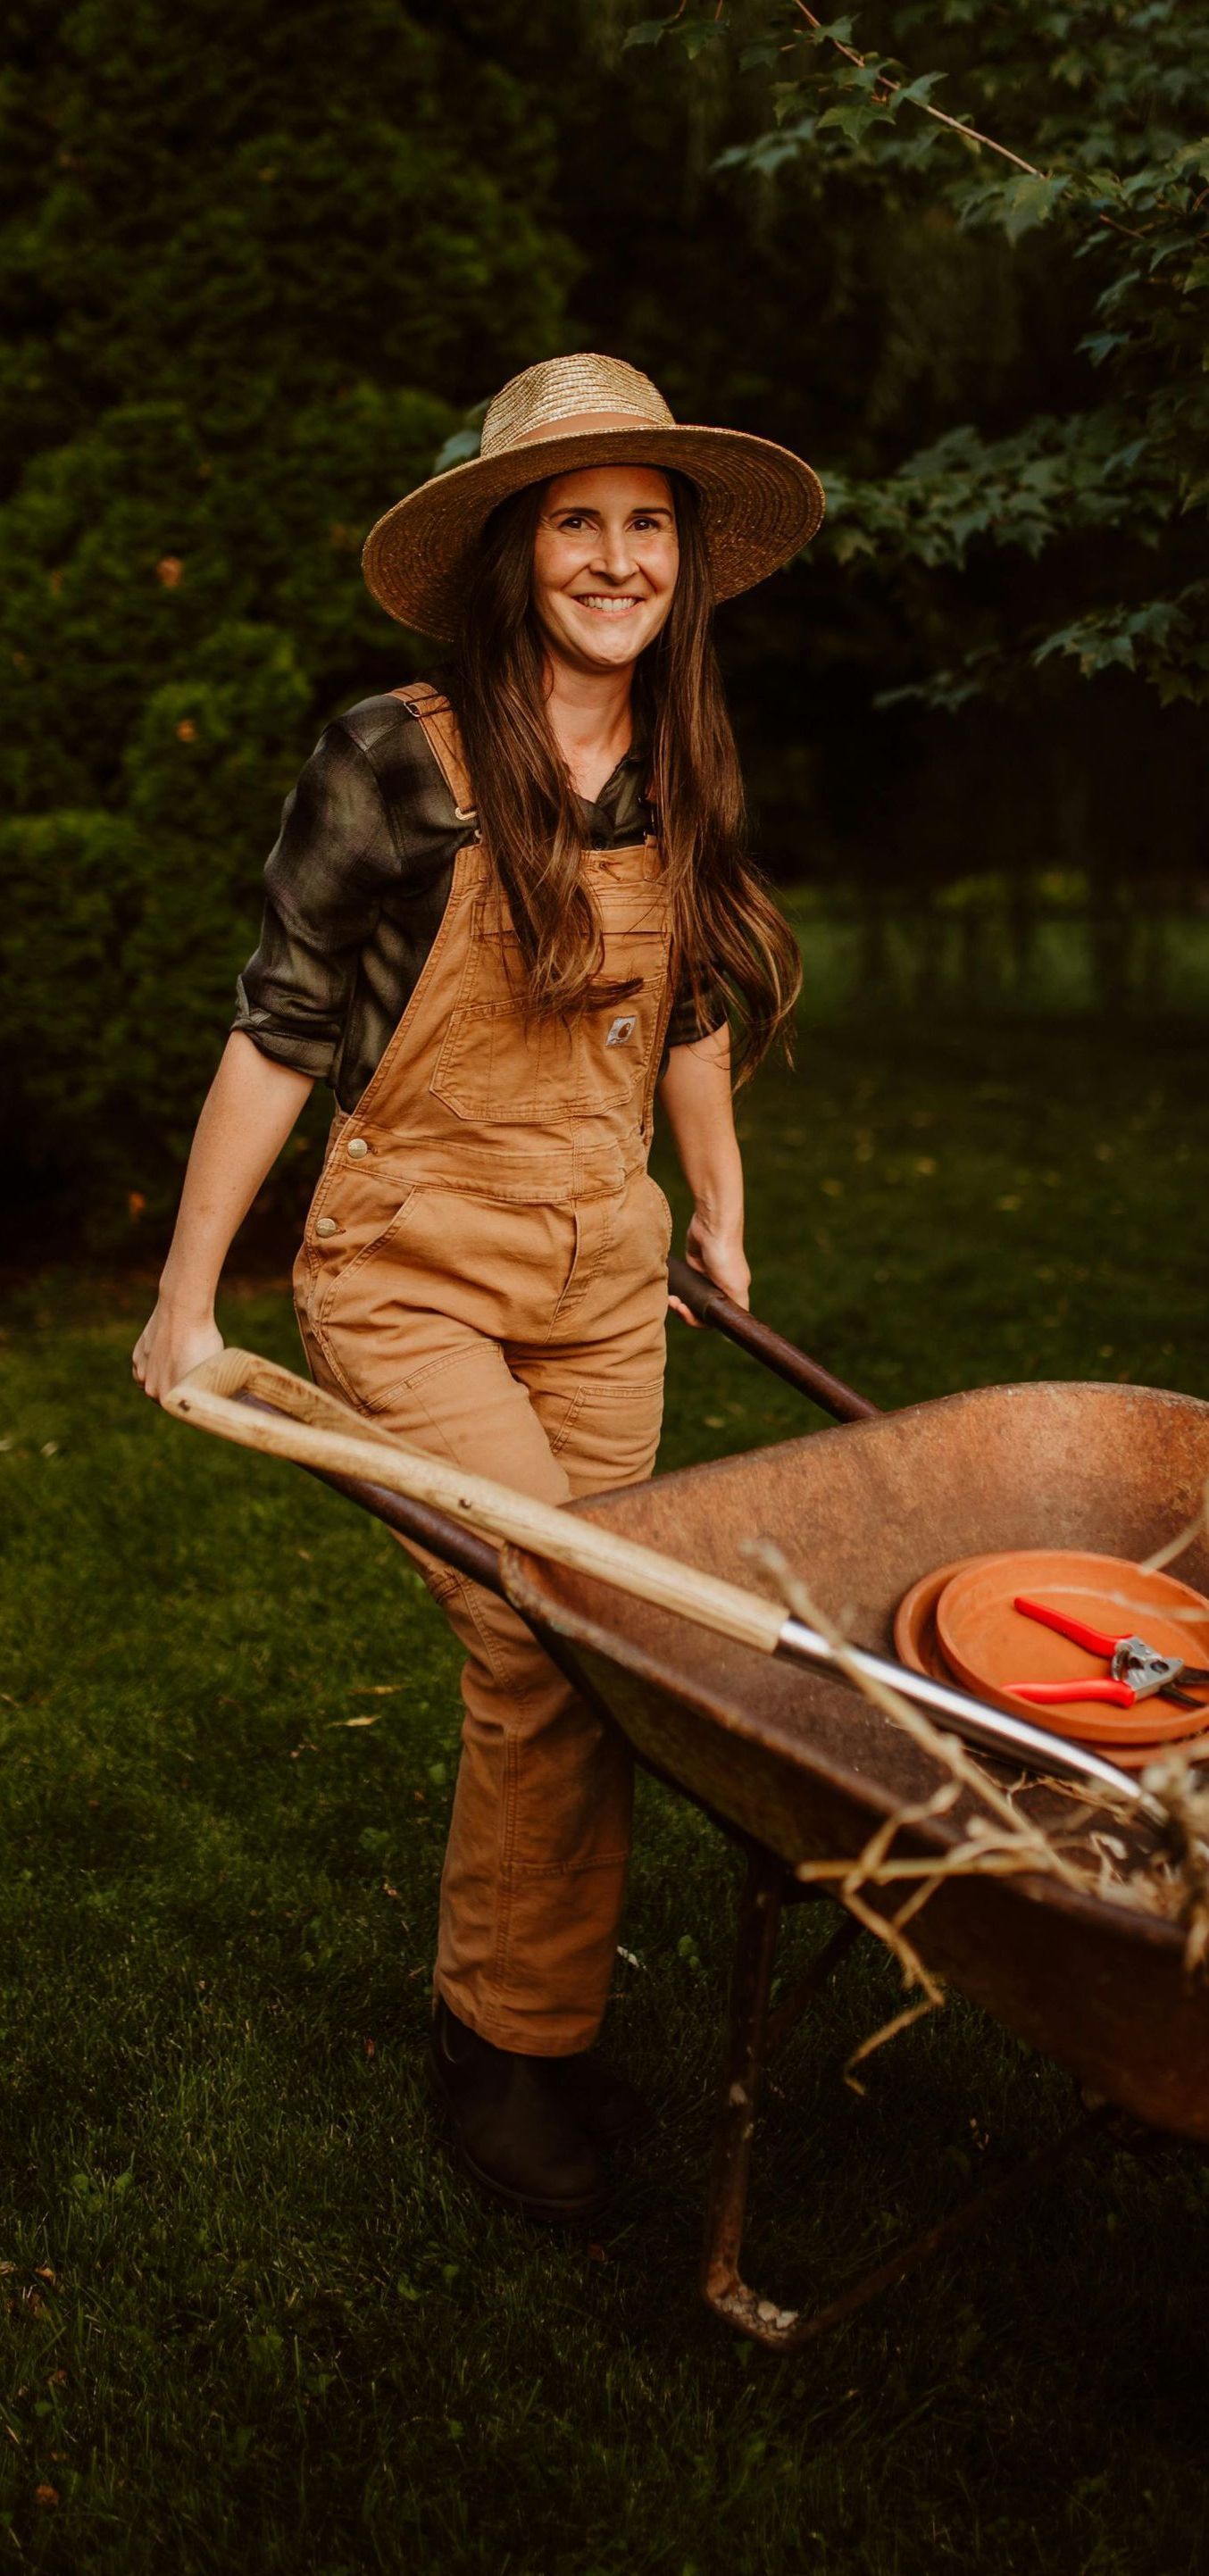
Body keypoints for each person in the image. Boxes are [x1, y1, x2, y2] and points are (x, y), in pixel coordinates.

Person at [133, 352, 824, 2222]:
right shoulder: (396, 756)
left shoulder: (678, 759)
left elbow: (674, 1007)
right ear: (517, 554)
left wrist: (718, 1207)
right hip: (408, 1261)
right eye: (576, 522)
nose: (613, 558)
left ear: (682, 560)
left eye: (645, 526)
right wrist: (186, 1297)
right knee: (537, 1628)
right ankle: (509, 2052)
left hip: (599, 1269)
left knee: (603, 1664)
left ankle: (525, 2005)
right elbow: (279, 1028)